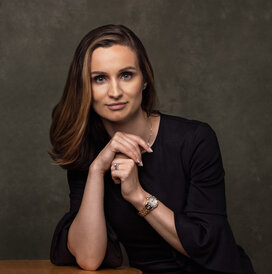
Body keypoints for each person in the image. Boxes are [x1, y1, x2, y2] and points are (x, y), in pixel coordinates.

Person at [48, 24, 256, 274]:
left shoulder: (195, 140)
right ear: (85, 88)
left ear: (144, 80)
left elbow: (206, 244)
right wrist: (95, 171)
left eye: (126, 75)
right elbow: (89, 258)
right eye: (99, 78)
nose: (115, 92)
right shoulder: (89, 152)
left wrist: (137, 195)